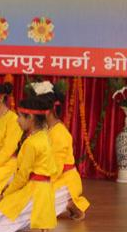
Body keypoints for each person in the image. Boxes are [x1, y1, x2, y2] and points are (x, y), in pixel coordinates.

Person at [0, 95, 57, 232]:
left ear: (30, 118)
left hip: (32, 192)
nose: (17, 120)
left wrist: (5, 195)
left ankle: (25, 220)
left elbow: (22, 176)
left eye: (20, 116)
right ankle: (27, 221)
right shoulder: (44, 136)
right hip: (41, 191)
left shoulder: (31, 143)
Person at [30, 81, 89, 220]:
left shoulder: (60, 133)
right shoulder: (45, 129)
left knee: (36, 207)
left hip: (63, 180)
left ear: (47, 110)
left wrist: (37, 181)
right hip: (46, 176)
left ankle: (71, 203)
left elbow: (56, 168)